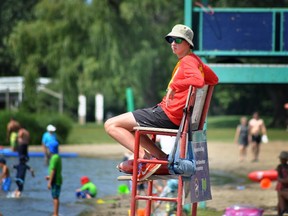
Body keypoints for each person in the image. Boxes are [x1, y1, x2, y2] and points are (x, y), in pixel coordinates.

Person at [104, 24, 219, 181]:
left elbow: (198, 81)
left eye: (178, 40)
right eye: (171, 40)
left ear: (188, 43)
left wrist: (175, 85)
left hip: (168, 115)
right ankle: (159, 158)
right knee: (127, 127)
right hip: (173, 115)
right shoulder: (195, 61)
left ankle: (145, 161)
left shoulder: (188, 62)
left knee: (111, 125)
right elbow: (214, 79)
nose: (173, 43)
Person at [46, 140, 62, 216]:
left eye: (48, 148)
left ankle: (55, 214)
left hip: (55, 181)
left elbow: (53, 170)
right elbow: (56, 171)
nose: (47, 149)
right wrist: (49, 177)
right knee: (56, 196)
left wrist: (49, 182)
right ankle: (55, 213)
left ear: (51, 149)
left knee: (55, 197)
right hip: (57, 179)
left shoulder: (53, 158)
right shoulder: (58, 157)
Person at [275, 151, 288, 216]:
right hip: (281, 187)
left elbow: (286, 180)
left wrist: (279, 179)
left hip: (284, 187)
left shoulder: (285, 168)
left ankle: (283, 210)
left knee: (281, 200)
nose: (281, 160)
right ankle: (281, 211)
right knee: (280, 203)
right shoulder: (279, 167)